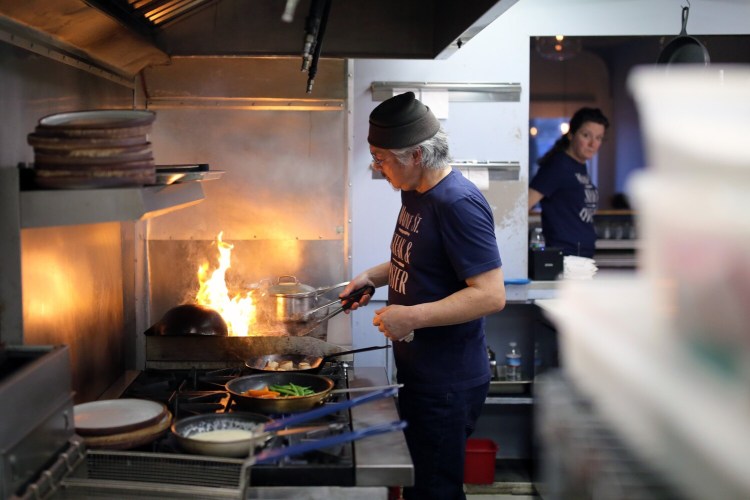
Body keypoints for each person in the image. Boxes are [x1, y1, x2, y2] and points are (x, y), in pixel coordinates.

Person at [340, 91, 506, 500]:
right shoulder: (415, 191)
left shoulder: (459, 203)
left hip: (447, 381)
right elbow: (420, 260)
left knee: (434, 492)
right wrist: (373, 278)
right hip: (421, 371)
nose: (378, 169)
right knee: (421, 486)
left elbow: (490, 295)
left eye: (382, 159)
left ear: (415, 155)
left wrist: (410, 317)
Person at [528, 107, 609, 257]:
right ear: (571, 135)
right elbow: (526, 203)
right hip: (565, 255)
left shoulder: (579, 165)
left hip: (581, 254)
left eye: (598, 138)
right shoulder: (558, 166)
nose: (593, 144)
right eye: (586, 135)